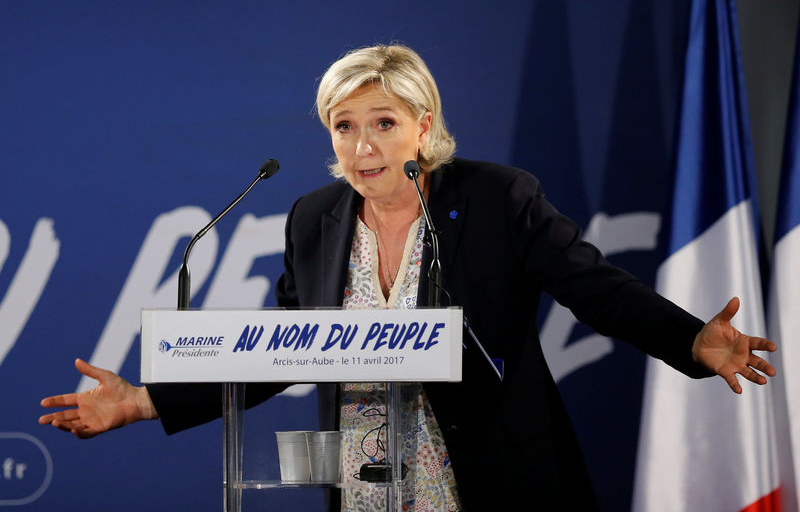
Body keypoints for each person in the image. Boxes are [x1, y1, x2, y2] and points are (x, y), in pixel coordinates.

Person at [40, 44, 777, 511]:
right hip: (365, 480)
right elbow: (282, 348)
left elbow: (594, 287)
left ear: (423, 126)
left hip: (487, 474)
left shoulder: (496, 198)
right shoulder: (314, 217)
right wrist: (142, 400)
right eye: (344, 123)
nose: (362, 144)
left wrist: (692, 342)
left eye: (384, 121)